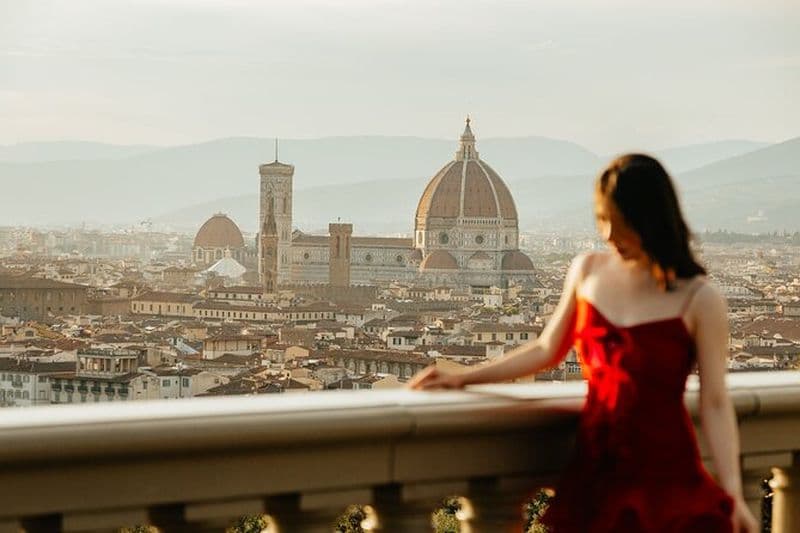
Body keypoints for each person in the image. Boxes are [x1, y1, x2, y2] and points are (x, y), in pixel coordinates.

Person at [408, 154, 758, 532]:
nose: (609, 236)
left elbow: (716, 401)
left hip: (666, 474)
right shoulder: (587, 271)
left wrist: (733, 492)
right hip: (595, 472)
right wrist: (464, 377)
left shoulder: (700, 299)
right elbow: (546, 350)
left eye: (620, 224)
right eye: (603, 221)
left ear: (652, 221)